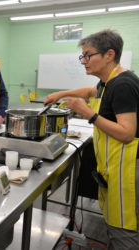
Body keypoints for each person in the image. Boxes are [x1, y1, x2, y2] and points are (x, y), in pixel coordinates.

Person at [44, 29, 139, 249]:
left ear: (109, 54)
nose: (83, 61)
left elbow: (127, 133)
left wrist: (88, 113)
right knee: (116, 224)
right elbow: (89, 91)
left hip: (128, 172)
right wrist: (59, 95)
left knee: (125, 230)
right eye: (82, 56)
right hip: (116, 168)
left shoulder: (123, 85)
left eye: (88, 55)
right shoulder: (108, 82)